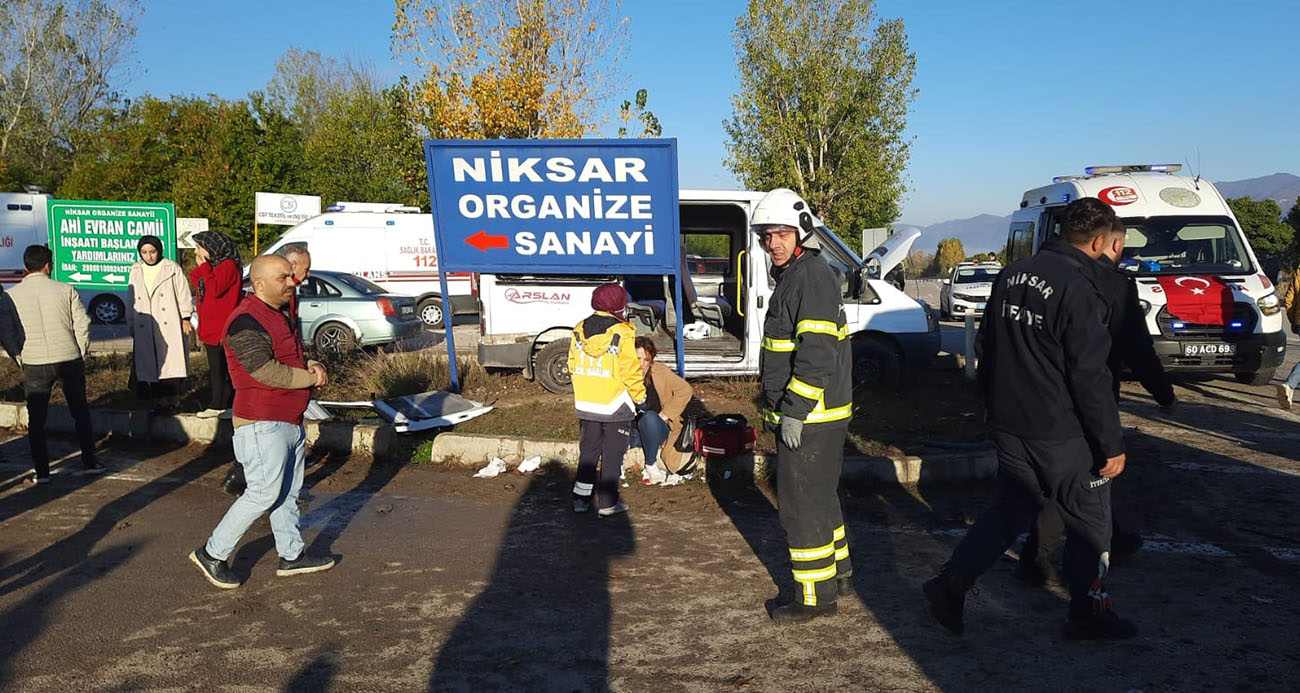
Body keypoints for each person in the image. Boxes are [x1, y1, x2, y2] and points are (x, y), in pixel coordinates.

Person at [923, 197, 1137, 641]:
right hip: (1062, 431)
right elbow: (1089, 375)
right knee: (1091, 522)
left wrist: (993, 405)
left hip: (1009, 423)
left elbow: (985, 348)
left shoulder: (1012, 273)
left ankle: (952, 581)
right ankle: (1088, 613)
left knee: (1012, 508)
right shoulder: (1081, 287)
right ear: (1099, 241)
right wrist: (1111, 443)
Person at [1016, 216, 1174, 584]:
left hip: (1038, 401)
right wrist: (1164, 394)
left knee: (1078, 482)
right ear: (1114, 245)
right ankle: (1057, 570)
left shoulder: (1036, 274)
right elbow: (1136, 349)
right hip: (1087, 401)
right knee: (1085, 482)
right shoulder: (1112, 285)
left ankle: (1102, 542)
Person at [189, 255, 334, 589]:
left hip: (288, 418)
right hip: (260, 421)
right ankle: (213, 553)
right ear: (259, 284)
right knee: (263, 493)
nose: (292, 282)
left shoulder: (277, 314)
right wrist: (308, 379)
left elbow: (288, 357)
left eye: (290, 276)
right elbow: (264, 370)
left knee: (286, 492)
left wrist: (312, 363)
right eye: (283, 277)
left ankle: (292, 555)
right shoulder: (244, 321)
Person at [751, 188, 854, 623]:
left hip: (810, 418)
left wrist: (793, 411)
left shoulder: (807, 277)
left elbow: (816, 356)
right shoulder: (801, 274)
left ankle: (814, 598)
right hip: (820, 415)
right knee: (821, 496)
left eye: (780, 234)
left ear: (802, 233)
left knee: (800, 503)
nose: (773, 243)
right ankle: (839, 575)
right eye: (766, 236)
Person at [0, 245, 105, 482]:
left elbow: (7, 332)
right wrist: (79, 350)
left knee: (36, 420)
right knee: (80, 412)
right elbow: (82, 324)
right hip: (68, 357)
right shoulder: (65, 289)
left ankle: (42, 472)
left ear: (26, 267)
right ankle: (90, 461)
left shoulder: (10, 296)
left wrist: (19, 356)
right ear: (48, 265)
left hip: (34, 361)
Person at [567, 283, 645, 517]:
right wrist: (640, 399)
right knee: (612, 455)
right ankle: (608, 503)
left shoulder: (580, 328)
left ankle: (581, 500)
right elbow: (630, 370)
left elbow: (572, 364)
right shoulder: (623, 332)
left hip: (586, 403)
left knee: (588, 452)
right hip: (615, 404)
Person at [128, 235, 194, 416]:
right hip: (145, 323)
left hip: (168, 321)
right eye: (144, 252)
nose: (148, 256)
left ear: (159, 250)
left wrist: (186, 316)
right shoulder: (135, 270)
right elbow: (131, 297)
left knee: (170, 366)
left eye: (152, 252)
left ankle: (174, 401)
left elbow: (183, 292)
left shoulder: (171, 268)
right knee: (151, 366)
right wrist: (131, 322)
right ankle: (158, 402)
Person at [190, 230, 243, 419]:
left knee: (221, 370)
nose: (196, 252)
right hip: (211, 327)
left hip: (221, 327)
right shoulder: (216, 266)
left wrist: (205, 267)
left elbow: (215, 289)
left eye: (199, 247)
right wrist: (205, 267)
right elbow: (195, 277)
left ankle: (220, 404)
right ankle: (224, 403)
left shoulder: (227, 265)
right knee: (218, 368)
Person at [632, 336, 694, 485]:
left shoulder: (660, 371)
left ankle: (651, 464)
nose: (641, 364)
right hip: (632, 426)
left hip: (656, 425)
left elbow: (685, 390)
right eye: (637, 358)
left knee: (650, 418)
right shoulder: (622, 373)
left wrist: (667, 414)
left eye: (646, 360)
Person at [1275, 269, 1300, 409]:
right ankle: (1290, 384)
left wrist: (1294, 321)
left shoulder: (1298, 272)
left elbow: (1289, 299)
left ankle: (1290, 385)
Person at [276, 243, 311, 323]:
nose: (308, 275)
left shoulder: (291, 290)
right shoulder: (279, 291)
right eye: (306, 269)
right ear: (292, 266)